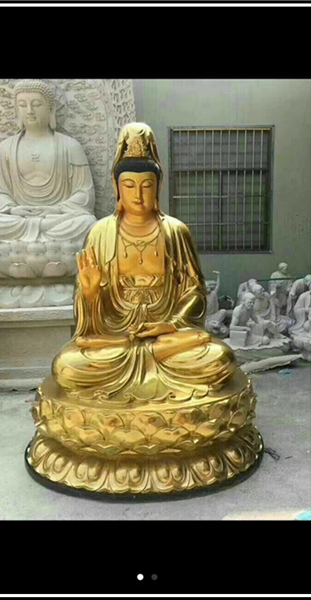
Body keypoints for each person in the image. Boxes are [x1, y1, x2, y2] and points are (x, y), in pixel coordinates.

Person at [51, 124, 236, 403]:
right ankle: (154, 371)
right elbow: (89, 320)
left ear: (158, 187)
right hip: (117, 336)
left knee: (219, 358)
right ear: (117, 187)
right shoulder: (100, 233)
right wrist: (89, 294)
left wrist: (170, 324)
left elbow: (195, 292)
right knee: (67, 366)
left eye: (146, 186)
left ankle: (146, 367)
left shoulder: (175, 231)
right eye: (129, 186)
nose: (138, 195)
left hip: (167, 338)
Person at [0, 79, 96, 244]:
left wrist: (56, 209)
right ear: (16, 110)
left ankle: (21, 245)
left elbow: (84, 193)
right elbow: (0, 192)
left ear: (51, 109)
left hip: (57, 219)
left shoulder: (71, 146)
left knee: (87, 223)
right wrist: (13, 209)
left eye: (36, 104)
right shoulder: (6, 148)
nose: (29, 111)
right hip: (17, 219)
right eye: (22, 105)